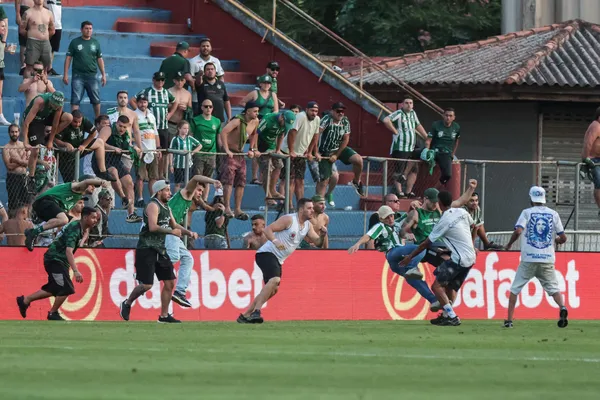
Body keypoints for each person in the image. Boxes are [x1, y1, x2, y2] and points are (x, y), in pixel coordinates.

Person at [237, 198, 327, 323]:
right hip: (266, 254)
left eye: (312, 208)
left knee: (273, 290)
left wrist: (322, 235)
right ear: (301, 209)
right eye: (309, 208)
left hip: (279, 259)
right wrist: (276, 241)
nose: (312, 210)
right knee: (275, 280)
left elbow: (317, 243)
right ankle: (256, 311)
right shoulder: (289, 219)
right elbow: (268, 229)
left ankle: (245, 315)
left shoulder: (307, 226)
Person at [119, 180, 196, 323]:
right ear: (159, 191)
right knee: (147, 285)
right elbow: (153, 227)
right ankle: (127, 303)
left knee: (170, 283)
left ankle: (164, 316)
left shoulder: (166, 206)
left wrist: (188, 233)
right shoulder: (153, 205)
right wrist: (172, 232)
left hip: (160, 249)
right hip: (147, 248)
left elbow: (174, 224)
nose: (170, 193)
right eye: (166, 190)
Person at [399, 191, 478, 326]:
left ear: (440, 202)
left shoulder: (444, 220)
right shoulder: (462, 212)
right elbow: (475, 226)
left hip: (458, 259)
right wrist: (470, 244)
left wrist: (409, 257)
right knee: (451, 287)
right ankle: (446, 315)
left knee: (436, 286)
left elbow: (425, 243)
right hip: (471, 257)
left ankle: (452, 316)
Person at [16, 206, 99, 321]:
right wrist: (75, 271)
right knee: (67, 288)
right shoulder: (75, 230)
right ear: (85, 218)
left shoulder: (78, 226)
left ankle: (25, 300)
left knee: (54, 288)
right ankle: (52, 313)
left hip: (58, 260)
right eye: (93, 218)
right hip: (55, 259)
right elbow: (69, 251)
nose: (96, 220)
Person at [503, 186, 569, 328]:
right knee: (553, 288)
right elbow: (563, 238)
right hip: (547, 258)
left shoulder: (526, 213)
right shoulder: (553, 214)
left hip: (529, 259)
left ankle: (509, 321)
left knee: (515, 289)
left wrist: (509, 244)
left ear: (531, 198)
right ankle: (562, 307)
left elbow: (518, 230)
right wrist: (556, 241)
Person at [168, 175, 221, 308]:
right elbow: (196, 177)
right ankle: (144, 271)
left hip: (171, 229)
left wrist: (188, 232)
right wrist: (213, 181)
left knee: (188, 258)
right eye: (198, 190)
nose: (200, 193)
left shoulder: (188, 202)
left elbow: (174, 223)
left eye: (202, 192)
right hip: (164, 229)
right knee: (174, 256)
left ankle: (180, 291)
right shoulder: (186, 194)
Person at [24, 175, 107, 250]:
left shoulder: (76, 197)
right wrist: (101, 182)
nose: (93, 187)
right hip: (44, 201)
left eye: (94, 186)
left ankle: (57, 243)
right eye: (92, 185)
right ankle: (34, 232)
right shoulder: (77, 187)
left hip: (45, 208)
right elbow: (86, 182)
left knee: (75, 222)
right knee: (64, 219)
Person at [312, 102, 365, 202]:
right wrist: (316, 152)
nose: (341, 113)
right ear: (332, 111)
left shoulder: (345, 121)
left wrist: (337, 155)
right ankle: (319, 203)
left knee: (358, 159)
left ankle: (356, 181)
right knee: (324, 180)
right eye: (338, 111)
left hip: (338, 148)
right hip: (325, 151)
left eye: (342, 111)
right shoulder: (327, 119)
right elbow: (316, 134)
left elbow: (346, 138)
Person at [94, 115, 142, 223]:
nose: (122, 129)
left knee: (129, 181)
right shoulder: (108, 129)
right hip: (102, 161)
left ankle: (131, 214)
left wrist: (134, 148)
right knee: (114, 172)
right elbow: (99, 142)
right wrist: (113, 148)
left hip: (115, 161)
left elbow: (127, 146)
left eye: (124, 127)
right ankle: (123, 198)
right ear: (116, 123)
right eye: (120, 126)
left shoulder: (125, 135)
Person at [22, 91, 72, 193]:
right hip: (34, 121)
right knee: (36, 149)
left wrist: (50, 140)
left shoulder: (58, 106)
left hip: (45, 118)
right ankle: (31, 178)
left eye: (56, 106)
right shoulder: (39, 101)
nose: (54, 107)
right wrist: (25, 141)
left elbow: (55, 124)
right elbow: (26, 123)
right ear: (50, 100)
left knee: (69, 117)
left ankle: (46, 138)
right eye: (52, 105)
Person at [220, 102, 260, 220]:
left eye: (257, 111)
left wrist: (253, 148)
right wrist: (226, 149)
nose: (257, 113)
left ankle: (237, 209)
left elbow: (254, 134)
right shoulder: (237, 121)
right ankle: (227, 207)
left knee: (241, 181)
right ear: (247, 111)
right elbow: (224, 132)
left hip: (240, 154)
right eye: (254, 111)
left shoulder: (256, 121)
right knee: (228, 180)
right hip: (230, 153)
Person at [383, 96, 428, 198]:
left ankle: (408, 191)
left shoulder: (413, 113)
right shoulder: (399, 113)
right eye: (407, 103)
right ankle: (399, 192)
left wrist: (426, 137)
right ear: (402, 104)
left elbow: (418, 125)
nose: (409, 105)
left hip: (411, 147)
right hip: (400, 148)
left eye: (411, 103)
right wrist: (395, 131)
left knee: (414, 170)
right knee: (399, 170)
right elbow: (386, 120)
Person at [54, 109, 114, 183]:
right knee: (71, 182)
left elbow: (94, 132)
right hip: (65, 154)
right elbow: (55, 139)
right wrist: (65, 144)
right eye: (75, 122)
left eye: (79, 122)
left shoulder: (85, 121)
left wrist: (84, 145)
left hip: (79, 148)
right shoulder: (66, 123)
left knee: (100, 142)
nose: (77, 124)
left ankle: (102, 172)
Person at [281, 101, 320, 210]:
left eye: (316, 111)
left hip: (301, 153)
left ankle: (301, 205)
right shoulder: (301, 116)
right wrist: (291, 150)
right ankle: (289, 205)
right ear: (307, 110)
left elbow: (315, 136)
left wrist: (310, 152)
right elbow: (292, 132)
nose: (314, 113)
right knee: (291, 179)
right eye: (312, 110)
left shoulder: (317, 119)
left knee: (300, 180)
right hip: (288, 151)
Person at [63, 21, 105, 118]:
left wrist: (103, 74)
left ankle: (98, 119)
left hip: (92, 75)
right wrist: (65, 74)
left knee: (96, 99)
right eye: (86, 28)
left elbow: (100, 59)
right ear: (81, 30)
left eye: (90, 28)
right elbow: (68, 58)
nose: (88, 30)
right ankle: (74, 120)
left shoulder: (96, 43)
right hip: (78, 75)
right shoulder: (74, 42)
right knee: (75, 99)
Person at [242, 74, 278, 184]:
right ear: (260, 84)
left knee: (265, 148)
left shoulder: (273, 95)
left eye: (268, 83)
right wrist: (252, 111)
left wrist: (270, 118)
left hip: (268, 122)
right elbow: (243, 102)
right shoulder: (254, 93)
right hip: (257, 120)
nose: (266, 85)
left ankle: (263, 177)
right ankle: (254, 176)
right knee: (255, 147)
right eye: (265, 83)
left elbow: (276, 110)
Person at [256, 110, 296, 202]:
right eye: (284, 123)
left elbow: (281, 135)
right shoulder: (269, 119)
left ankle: (273, 189)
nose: (284, 126)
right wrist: (254, 148)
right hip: (261, 144)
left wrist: (278, 149)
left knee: (279, 165)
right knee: (267, 168)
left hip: (272, 146)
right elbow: (256, 133)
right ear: (281, 117)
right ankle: (268, 194)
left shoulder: (284, 125)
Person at [189, 99, 221, 199]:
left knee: (208, 179)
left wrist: (221, 151)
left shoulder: (217, 121)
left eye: (210, 106)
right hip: (199, 153)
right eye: (206, 106)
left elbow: (218, 137)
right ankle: (194, 199)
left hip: (212, 153)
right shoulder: (195, 120)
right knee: (197, 177)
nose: (208, 108)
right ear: (202, 107)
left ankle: (205, 199)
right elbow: (191, 135)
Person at [133, 94, 161, 207]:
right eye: (140, 102)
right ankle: (139, 198)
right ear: (137, 102)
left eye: (144, 102)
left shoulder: (151, 115)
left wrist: (158, 148)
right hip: (141, 150)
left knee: (153, 176)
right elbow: (132, 133)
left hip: (152, 150)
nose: (142, 104)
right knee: (140, 176)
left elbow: (155, 133)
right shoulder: (134, 115)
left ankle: (153, 198)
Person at [19, 0, 55, 77]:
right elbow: (21, 29)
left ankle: (43, 86)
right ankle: (28, 87)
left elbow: (52, 30)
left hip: (46, 43)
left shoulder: (49, 13)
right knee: (29, 67)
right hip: (32, 43)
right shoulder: (28, 13)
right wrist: (31, 36)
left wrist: (44, 37)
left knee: (45, 68)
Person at [426, 108, 460, 187]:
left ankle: (434, 189)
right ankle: (404, 176)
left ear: (454, 117)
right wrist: (427, 151)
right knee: (414, 154)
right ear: (443, 116)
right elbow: (428, 140)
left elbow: (457, 141)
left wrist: (453, 153)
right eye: (446, 115)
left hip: (446, 153)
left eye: (450, 116)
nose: (448, 118)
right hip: (435, 151)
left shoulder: (456, 127)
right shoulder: (436, 125)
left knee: (447, 175)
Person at [169, 120, 202, 192]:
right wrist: (171, 165)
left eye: (187, 128)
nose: (186, 130)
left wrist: (192, 153)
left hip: (188, 164)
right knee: (177, 183)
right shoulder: (175, 139)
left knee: (187, 183)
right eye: (184, 128)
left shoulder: (189, 138)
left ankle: (185, 198)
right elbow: (171, 152)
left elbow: (199, 145)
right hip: (178, 165)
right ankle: (176, 198)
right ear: (179, 129)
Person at [3, 124, 30, 210]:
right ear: (9, 133)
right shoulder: (6, 148)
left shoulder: (23, 145)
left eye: (16, 132)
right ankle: (12, 222)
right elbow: (9, 166)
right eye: (12, 132)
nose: (14, 134)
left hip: (24, 177)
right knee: (13, 204)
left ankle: (26, 222)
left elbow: (28, 163)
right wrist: (23, 161)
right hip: (13, 178)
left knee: (27, 203)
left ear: (19, 132)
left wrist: (17, 160)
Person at [581, 106, 600, 217]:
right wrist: (586, 158)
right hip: (594, 159)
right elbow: (588, 142)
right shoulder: (595, 126)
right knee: (599, 183)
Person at [16, 0, 35, 76]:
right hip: (24, 8)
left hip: (35, 12)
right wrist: (17, 14)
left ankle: (32, 65)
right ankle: (23, 66)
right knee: (23, 41)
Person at [44, 0, 62, 76]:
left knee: (53, 48)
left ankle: (49, 68)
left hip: (58, 24)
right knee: (45, 47)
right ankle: (42, 68)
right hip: (49, 24)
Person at [0, 20, 9, 126]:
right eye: (2, 26)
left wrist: (6, 49)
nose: (4, 28)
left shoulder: (1, 39)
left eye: (5, 26)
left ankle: (1, 116)